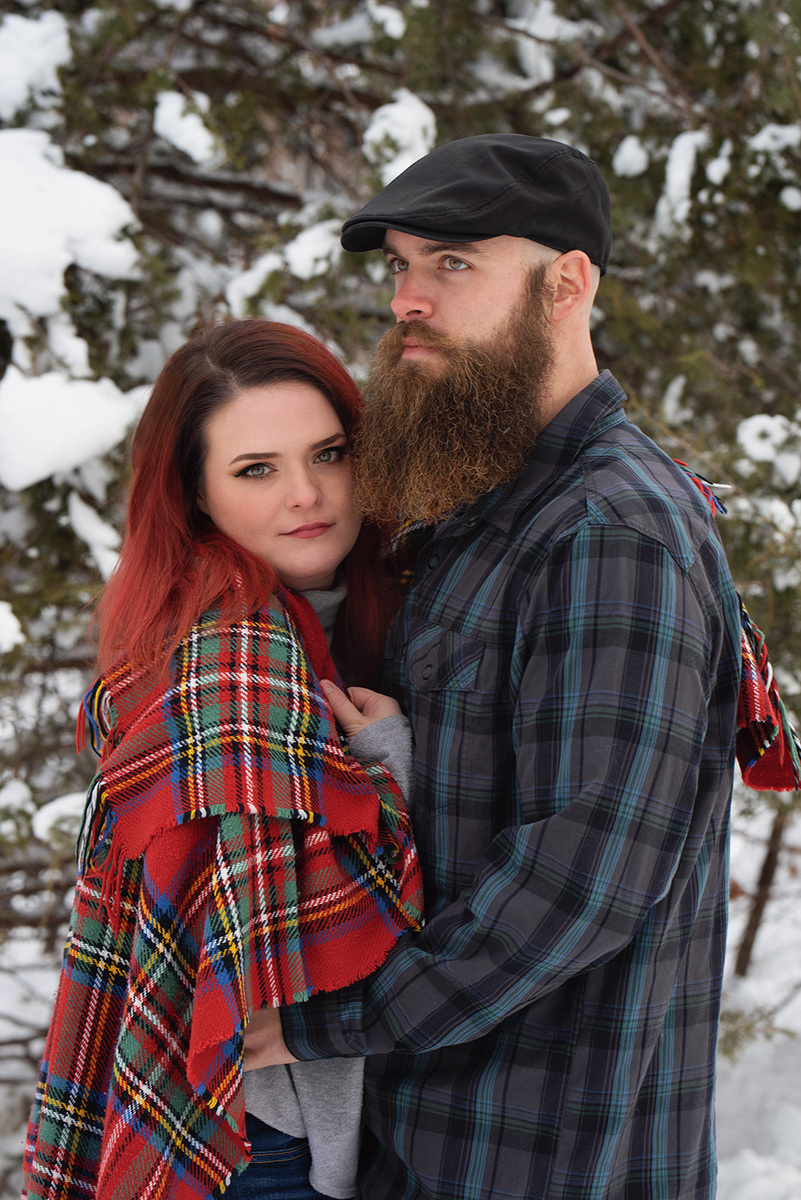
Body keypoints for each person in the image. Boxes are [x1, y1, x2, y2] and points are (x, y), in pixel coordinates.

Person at [244, 135, 745, 1199]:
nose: (409, 301)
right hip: (431, 1127)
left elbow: (579, 885)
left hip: (539, 1151)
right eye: (400, 267)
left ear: (568, 283)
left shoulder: (611, 530)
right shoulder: (488, 508)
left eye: (454, 264)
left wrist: (326, 1024)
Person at [21, 319, 423, 1200]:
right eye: (256, 470)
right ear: (196, 495)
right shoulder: (233, 655)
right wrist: (387, 754)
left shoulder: (336, 607)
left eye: (328, 453)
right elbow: (328, 922)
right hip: (254, 1137)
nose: (306, 494)